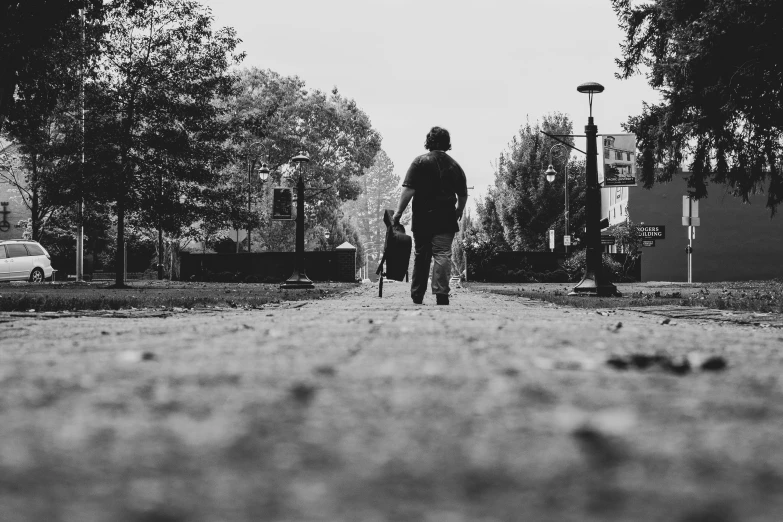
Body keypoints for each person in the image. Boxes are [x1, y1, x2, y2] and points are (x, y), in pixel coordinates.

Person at [393, 126, 468, 305]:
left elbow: (409, 190)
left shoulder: (419, 162)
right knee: (442, 254)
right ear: (447, 143)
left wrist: (398, 213)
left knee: (421, 255)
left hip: (423, 218)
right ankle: (441, 293)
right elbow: (463, 195)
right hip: (446, 219)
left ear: (429, 141)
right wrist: (458, 210)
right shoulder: (454, 165)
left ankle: (417, 294)